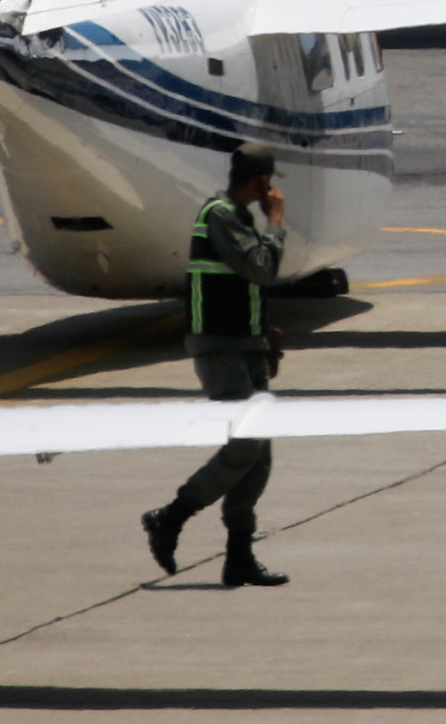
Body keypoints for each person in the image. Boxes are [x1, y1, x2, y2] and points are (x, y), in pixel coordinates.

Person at [141, 147, 292, 588]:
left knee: (259, 456)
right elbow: (261, 268)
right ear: (262, 182)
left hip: (247, 346)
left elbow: (246, 287)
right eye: (269, 183)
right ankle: (170, 516)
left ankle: (239, 556)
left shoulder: (239, 219)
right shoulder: (220, 216)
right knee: (245, 447)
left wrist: (266, 336)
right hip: (220, 348)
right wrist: (276, 222)